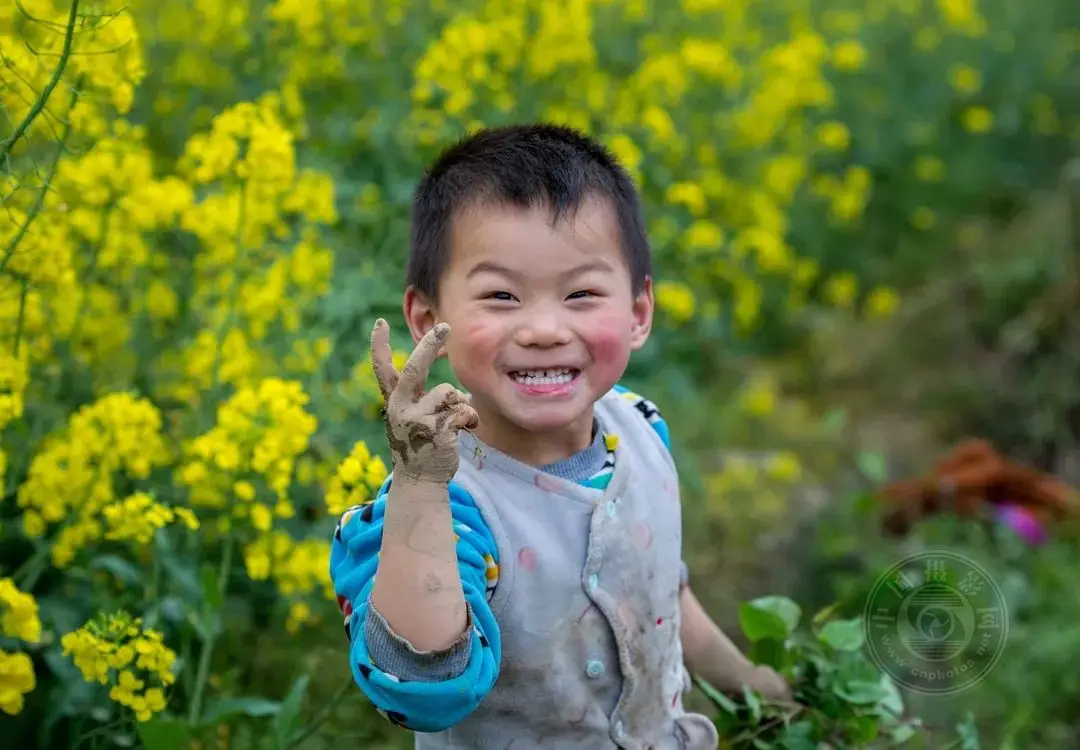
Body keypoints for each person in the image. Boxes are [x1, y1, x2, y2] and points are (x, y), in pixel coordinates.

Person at [329, 124, 791, 749]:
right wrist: (417, 485)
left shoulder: (641, 427)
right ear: (428, 320)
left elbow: (656, 593)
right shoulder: (443, 504)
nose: (544, 328)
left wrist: (752, 687)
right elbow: (422, 687)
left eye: (581, 293)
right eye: (501, 295)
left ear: (638, 313)